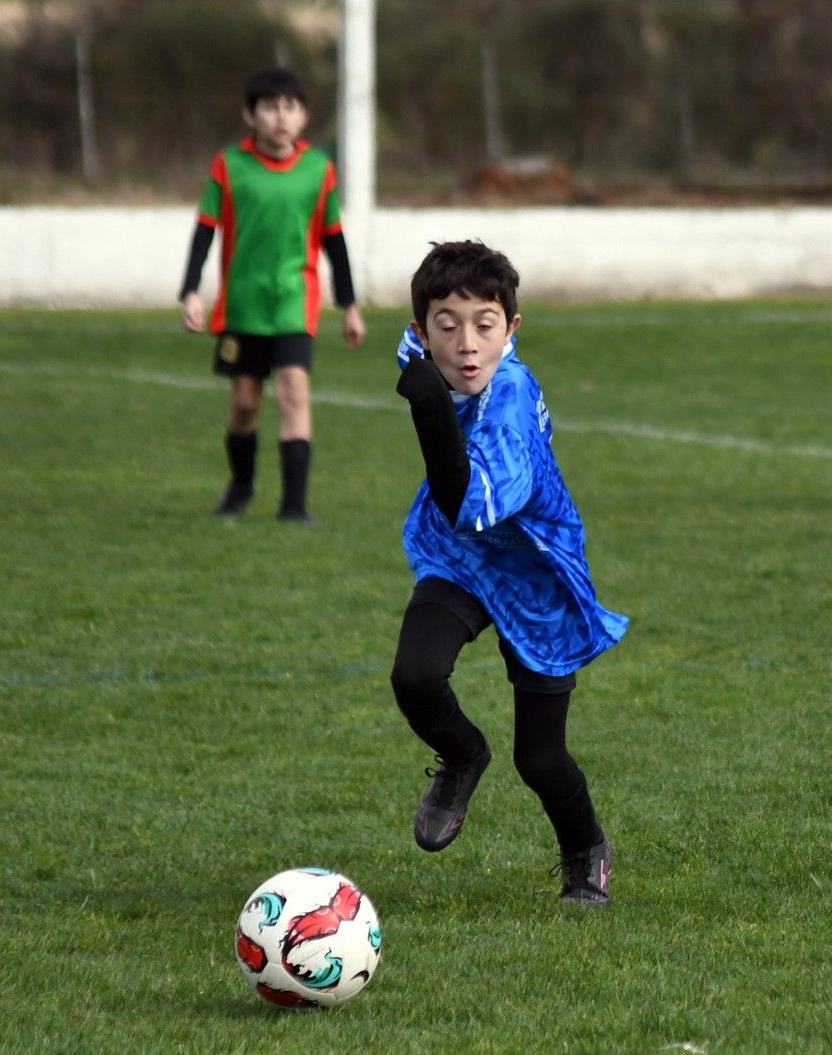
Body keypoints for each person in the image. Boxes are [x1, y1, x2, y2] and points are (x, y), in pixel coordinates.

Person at [388, 240, 628, 907]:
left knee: (541, 759)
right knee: (415, 675)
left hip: (535, 572)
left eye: (485, 325)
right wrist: (426, 378)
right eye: (447, 325)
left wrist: (429, 407)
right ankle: (464, 754)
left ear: (512, 329)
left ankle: (586, 850)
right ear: (421, 330)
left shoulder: (512, 403)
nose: (467, 344)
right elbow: (417, 357)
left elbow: (467, 504)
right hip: (461, 557)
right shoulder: (428, 352)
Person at [178, 67, 366, 522]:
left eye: (290, 108)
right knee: (245, 404)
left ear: (303, 117)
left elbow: (335, 240)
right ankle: (241, 487)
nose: (281, 117)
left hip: (294, 302)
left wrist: (350, 306)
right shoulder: (229, 165)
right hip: (243, 304)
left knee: (294, 391)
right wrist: (190, 291)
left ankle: (294, 507)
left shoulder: (319, 170)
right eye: (270, 107)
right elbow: (205, 230)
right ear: (250, 115)